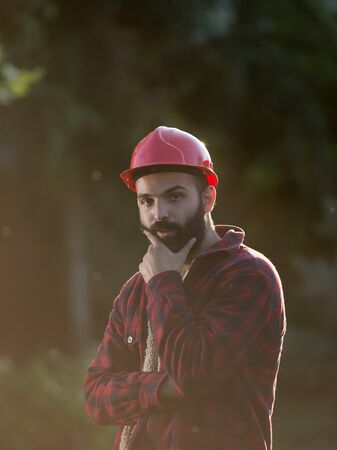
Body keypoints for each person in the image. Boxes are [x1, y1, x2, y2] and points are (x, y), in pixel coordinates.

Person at [84, 126, 286, 450]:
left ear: (208, 198)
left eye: (175, 196)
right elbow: (95, 396)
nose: (159, 213)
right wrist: (165, 389)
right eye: (146, 200)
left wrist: (164, 282)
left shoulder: (249, 276)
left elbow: (193, 372)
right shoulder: (137, 289)